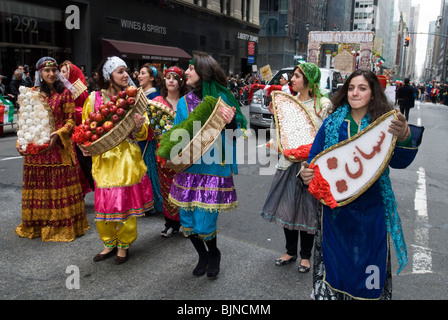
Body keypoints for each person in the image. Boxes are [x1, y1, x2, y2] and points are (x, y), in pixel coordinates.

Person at [300, 69, 423, 300]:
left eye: (362, 88)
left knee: (369, 265)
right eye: (351, 88)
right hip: (337, 212)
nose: (355, 93)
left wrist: (405, 135)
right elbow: (315, 160)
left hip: (372, 210)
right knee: (337, 266)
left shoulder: (384, 125)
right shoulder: (332, 123)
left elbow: (399, 161)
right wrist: (307, 173)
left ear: (373, 94)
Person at [167, 52, 247, 279]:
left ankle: (214, 253)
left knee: (205, 222)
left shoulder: (224, 100)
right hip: (189, 169)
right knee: (187, 221)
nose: (186, 72)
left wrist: (231, 123)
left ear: (203, 72)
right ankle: (202, 255)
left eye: (191, 69)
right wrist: (171, 150)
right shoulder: (184, 102)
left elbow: (237, 135)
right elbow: (177, 134)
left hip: (213, 170)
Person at [80, 56, 154, 264]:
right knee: (103, 202)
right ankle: (108, 242)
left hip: (126, 159)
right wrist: (86, 145)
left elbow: (143, 132)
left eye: (126, 71)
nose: (126, 75)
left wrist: (140, 127)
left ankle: (124, 244)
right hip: (103, 159)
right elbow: (86, 128)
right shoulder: (93, 99)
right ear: (108, 75)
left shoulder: (133, 98)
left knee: (123, 203)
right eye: (120, 71)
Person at [261, 63, 331, 273]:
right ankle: (290, 251)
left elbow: (328, 136)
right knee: (287, 208)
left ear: (309, 80)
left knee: (309, 211)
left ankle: (306, 256)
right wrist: (276, 118)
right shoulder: (287, 102)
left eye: (297, 76)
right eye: (292, 75)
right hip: (288, 162)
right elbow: (282, 133)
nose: (292, 79)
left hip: (310, 168)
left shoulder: (323, 104)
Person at [15, 57, 90, 241]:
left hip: (58, 149)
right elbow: (24, 122)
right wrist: (21, 142)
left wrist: (58, 133)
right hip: (37, 153)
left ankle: (60, 226)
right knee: (40, 187)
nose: (51, 74)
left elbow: (71, 121)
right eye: (47, 70)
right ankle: (39, 225)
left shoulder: (64, 94)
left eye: (54, 70)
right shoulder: (31, 94)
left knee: (59, 186)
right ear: (39, 73)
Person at [152, 66, 188, 237]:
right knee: (167, 189)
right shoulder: (157, 101)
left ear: (181, 81)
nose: (171, 80)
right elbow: (150, 127)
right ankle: (170, 223)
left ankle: (186, 223)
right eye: (168, 77)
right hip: (164, 154)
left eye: (175, 77)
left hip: (185, 153)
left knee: (185, 187)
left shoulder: (187, 101)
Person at [59, 60, 94, 194]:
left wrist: (69, 112)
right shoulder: (60, 89)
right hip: (65, 131)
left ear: (71, 73)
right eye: (60, 71)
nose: (61, 74)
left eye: (64, 71)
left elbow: (86, 110)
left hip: (77, 131)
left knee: (81, 163)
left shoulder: (81, 90)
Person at [137, 64, 163, 215]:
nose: (139, 76)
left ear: (152, 78)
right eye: (139, 73)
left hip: (148, 139)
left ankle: (153, 202)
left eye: (143, 73)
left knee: (149, 171)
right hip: (138, 136)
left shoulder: (156, 97)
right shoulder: (140, 94)